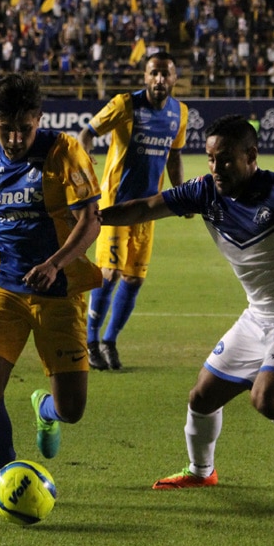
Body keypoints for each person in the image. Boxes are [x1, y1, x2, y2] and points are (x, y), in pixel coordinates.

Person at [100, 114, 274, 502]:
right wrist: (91, 218)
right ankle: (202, 472)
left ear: (251, 155)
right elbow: (144, 207)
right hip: (259, 316)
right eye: (210, 158)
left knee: (267, 399)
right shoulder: (204, 192)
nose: (216, 168)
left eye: (225, 159)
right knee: (201, 397)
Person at [0, 73, 102, 487]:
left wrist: (55, 264)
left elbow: (90, 222)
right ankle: (8, 477)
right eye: (5, 128)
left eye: (24, 128)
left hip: (60, 294)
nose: (14, 138)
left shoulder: (64, 152)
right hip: (5, 291)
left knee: (72, 409)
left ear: (38, 119)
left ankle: (46, 411)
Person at [77, 51, 187, 371]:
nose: (159, 79)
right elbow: (87, 134)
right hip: (114, 206)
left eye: (165, 74)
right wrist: (86, 157)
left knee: (134, 279)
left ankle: (110, 341)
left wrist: (179, 195)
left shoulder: (179, 113)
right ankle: (91, 340)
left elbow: (175, 157)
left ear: (174, 78)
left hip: (148, 210)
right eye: (154, 73)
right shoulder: (125, 104)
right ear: (145, 76)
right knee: (109, 274)